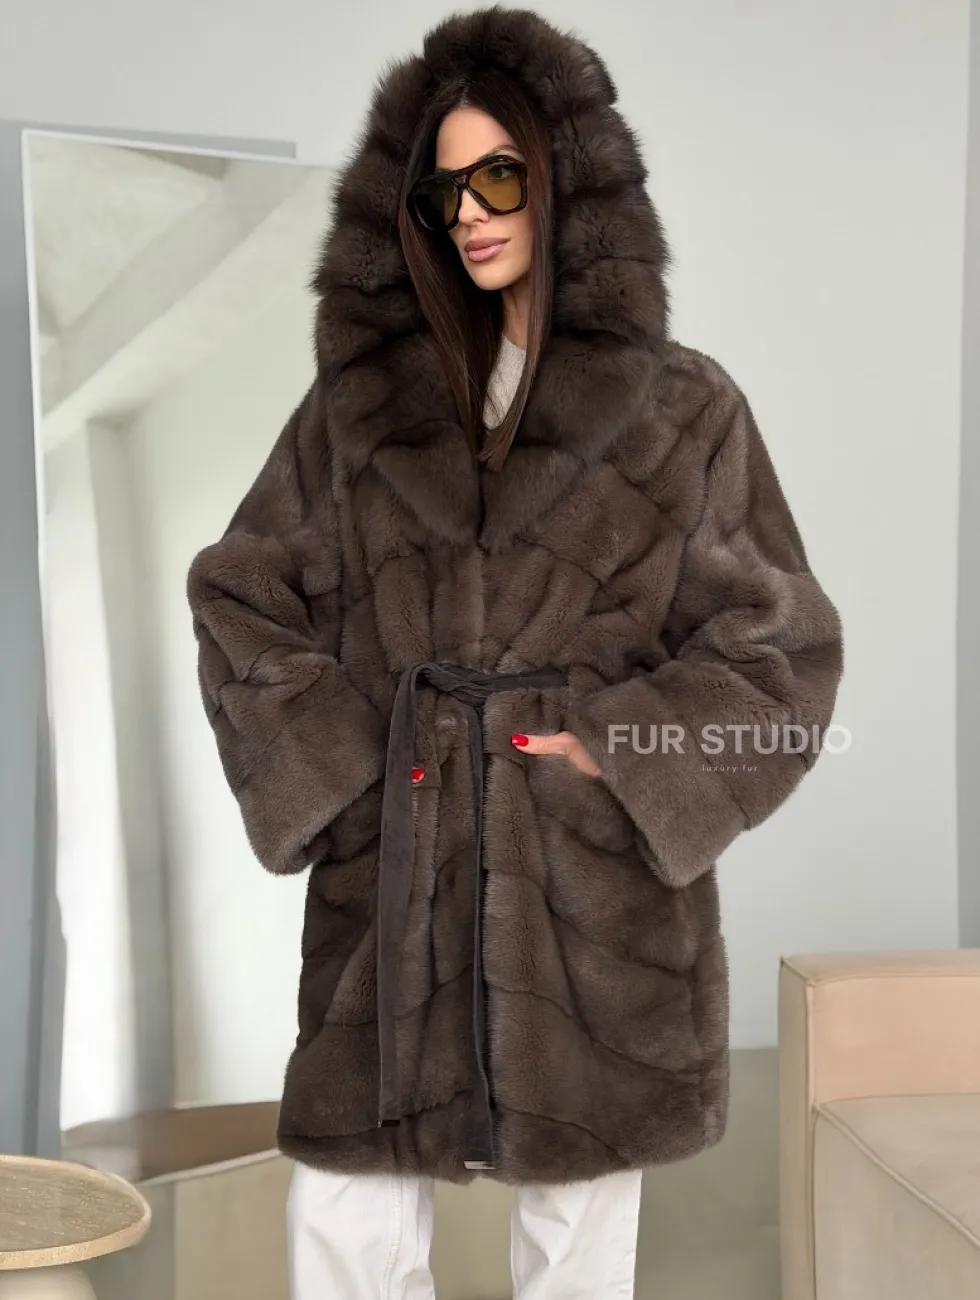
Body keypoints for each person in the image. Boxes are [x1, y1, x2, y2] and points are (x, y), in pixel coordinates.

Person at [186, 6, 845, 1297]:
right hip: (399, 863)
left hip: (587, 884)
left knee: (577, 1232)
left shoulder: (684, 408)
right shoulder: (359, 415)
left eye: (499, 178)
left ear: (568, 183)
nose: (471, 216)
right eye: (443, 194)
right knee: (345, 1213)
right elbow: (240, 595)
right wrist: (348, 770)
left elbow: (780, 649)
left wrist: (619, 751)